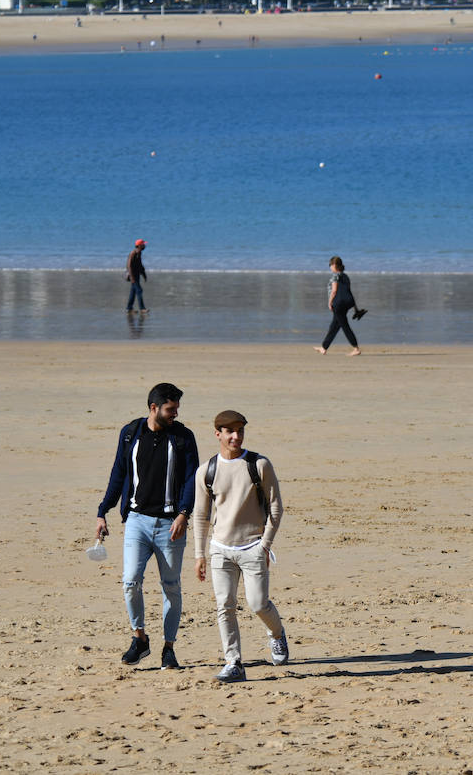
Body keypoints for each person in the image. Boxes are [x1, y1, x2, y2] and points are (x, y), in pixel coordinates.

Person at [95, 382, 200, 670]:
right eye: (170, 409)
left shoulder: (183, 438)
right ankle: (140, 638)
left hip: (171, 526)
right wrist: (103, 511)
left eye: (176, 409)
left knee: (171, 587)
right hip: (137, 522)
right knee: (130, 581)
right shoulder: (131, 434)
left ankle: (168, 648)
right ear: (153, 408)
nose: (174, 414)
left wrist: (183, 514)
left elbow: (192, 478)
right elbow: (119, 471)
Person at [193, 410, 288, 683]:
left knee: (258, 604)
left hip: (253, 547)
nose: (236, 436)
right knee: (225, 606)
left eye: (240, 431)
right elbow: (200, 515)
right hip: (220, 550)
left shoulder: (258, 465)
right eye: (230, 431)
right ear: (218, 434)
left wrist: (265, 544)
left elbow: (276, 507)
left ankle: (277, 635)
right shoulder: (206, 471)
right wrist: (200, 554)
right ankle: (234, 663)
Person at [315, 256, 361, 356]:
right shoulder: (346, 277)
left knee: (345, 326)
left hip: (338, 304)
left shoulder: (335, 276)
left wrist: (329, 302)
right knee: (334, 326)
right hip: (346, 304)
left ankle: (356, 348)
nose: (330, 267)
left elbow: (334, 291)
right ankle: (324, 348)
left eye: (330, 265)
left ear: (334, 265)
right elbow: (349, 292)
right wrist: (355, 307)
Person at [126, 239, 148, 313]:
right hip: (133, 275)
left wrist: (144, 275)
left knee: (133, 292)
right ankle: (142, 308)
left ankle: (129, 308)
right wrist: (132, 277)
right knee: (139, 290)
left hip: (137, 275)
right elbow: (129, 266)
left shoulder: (139, 253)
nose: (144, 246)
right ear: (139, 246)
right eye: (143, 244)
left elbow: (140, 265)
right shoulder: (133, 253)